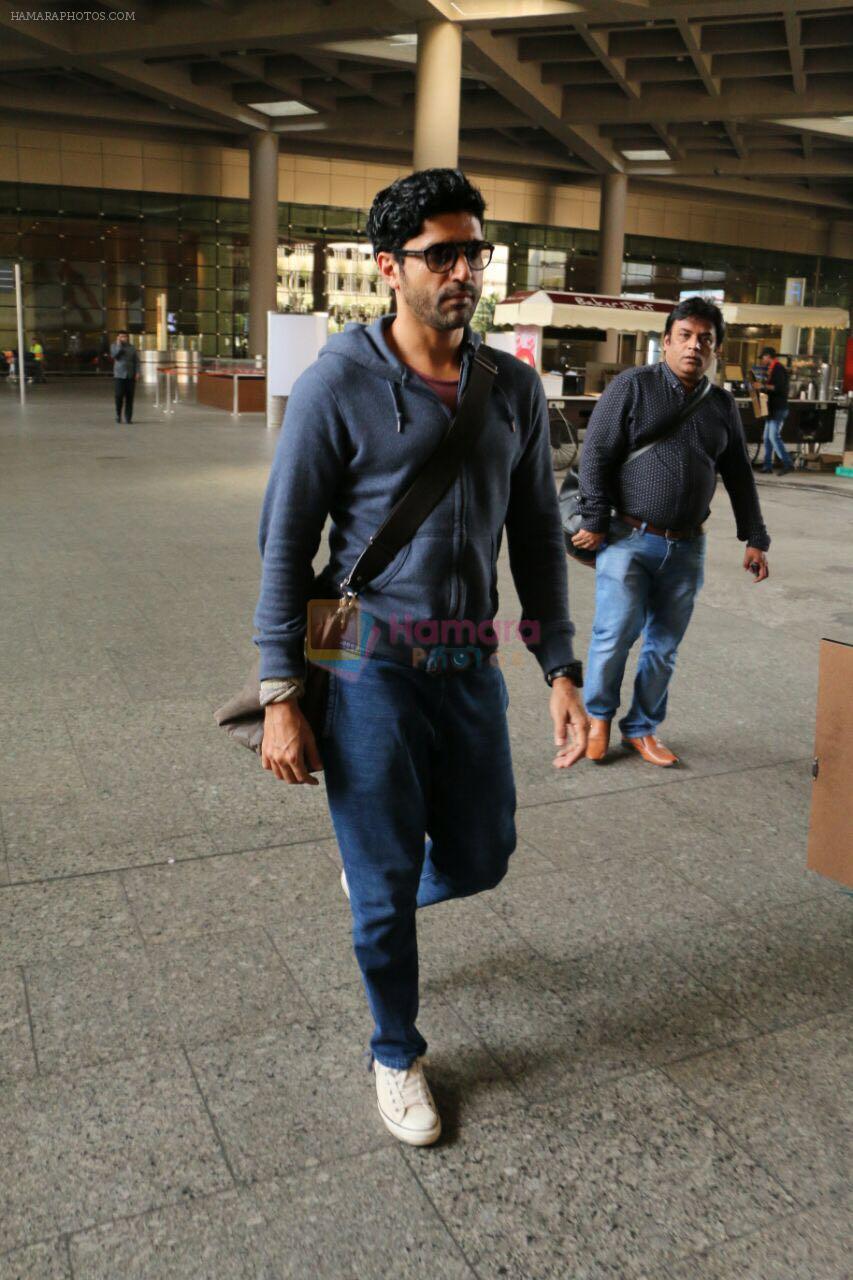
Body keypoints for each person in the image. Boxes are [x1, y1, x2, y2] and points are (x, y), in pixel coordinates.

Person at [254, 169, 587, 1147]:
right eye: (440, 253)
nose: (462, 270)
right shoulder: (336, 384)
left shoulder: (512, 388)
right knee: (389, 869)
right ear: (387, 266)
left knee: (483, 852)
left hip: (466, 652)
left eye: (473, 251)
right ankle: (395, 1048)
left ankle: (376, 879)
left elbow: (536, 536)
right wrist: (284, 693)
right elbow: (287, 547)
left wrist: (558, 667)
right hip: (358, 644)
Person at [572, 296, 770, 767]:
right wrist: (596, 521)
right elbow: (596, 454)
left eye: (705, 339)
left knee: (663, 647)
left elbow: (739, 472)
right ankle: (599, 718)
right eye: (684, 336)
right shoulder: (632, 387)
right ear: (666, 341)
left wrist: (755, 537)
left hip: (687, 547)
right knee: (613, 635)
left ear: (716, 349)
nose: (694, 346)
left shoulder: (720, 404)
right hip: (627, 538)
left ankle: (641, 728)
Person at [757, 347, 793, 475]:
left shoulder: (778, 368)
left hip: (778, 408)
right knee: (767, 438)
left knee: (773, 436)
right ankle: (767, 466)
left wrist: (762, 386)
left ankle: (788, 463)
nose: (762, 360)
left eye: (763, 357)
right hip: (772, 408)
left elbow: (779, 387)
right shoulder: (771, 369)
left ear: (768, 356)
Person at [110, 330, 139, 423]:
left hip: (130, 375)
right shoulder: (114, 346)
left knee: (130, 397)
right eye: (121, 336)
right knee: (119, 396)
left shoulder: (132, 347)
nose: (123, 338)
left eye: (125, 336)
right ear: (118, 337)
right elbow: (115, 356)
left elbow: (136, 361)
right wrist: (119, 345)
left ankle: (128, 418)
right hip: (119, 375)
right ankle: (118, 415)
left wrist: (137, 372)